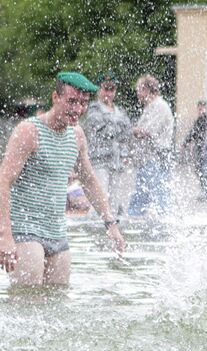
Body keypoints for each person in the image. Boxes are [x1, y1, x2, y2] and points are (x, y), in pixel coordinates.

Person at [0, 72, 125, 286]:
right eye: (72, 101)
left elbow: (89, 181)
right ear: (55, 97)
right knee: (26, 303)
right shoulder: (29, 131)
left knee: (59, 303)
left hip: (58, 235)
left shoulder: (76, 136)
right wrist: (5, 235)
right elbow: (4, 181)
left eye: (83, 103)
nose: (78, 109)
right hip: (25, 232)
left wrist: (111, 224)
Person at [82, 70, 132, 215]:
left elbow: (127, 133)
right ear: (98, 89)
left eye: (112, 89)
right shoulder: (93, 109)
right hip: (99, 162)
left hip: (116, 163)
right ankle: (93, 229)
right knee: (100, 199)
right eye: (105, 89)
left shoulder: (120, 110)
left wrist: (117, 128)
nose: (108, 93)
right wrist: (118, 127)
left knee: (115, 203)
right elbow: (105, 131)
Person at [128, 74, 174, 216]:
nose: (137, 93)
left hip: (156, 158)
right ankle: (134, 219)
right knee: (143, 195)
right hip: (149, 159)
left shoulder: (159, 106)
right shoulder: (152, 107)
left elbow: (148, 131)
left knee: (159, 196)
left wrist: (132, 130)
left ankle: (162, 224)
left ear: (147, 90)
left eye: (138, 90)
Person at [181, 100, 207, 197]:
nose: (201, 109)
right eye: (199, 107)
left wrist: (185, 143)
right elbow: (193, 132)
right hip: (200, 147)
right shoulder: (200, 119)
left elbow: (195, 132)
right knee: (199, 169)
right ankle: (206, 191)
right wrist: (185, 143)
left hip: (204, 147)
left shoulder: (205, 118)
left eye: (202, 107)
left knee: (203, 169)